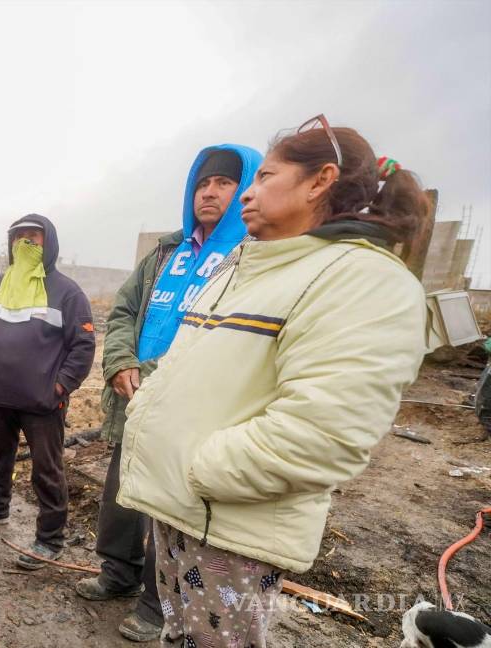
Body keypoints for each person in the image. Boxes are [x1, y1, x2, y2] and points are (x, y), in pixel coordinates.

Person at [117, 116, 431, 647]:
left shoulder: (361, 280)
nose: (247, 193)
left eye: (264, 177)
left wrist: (202, 469)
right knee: (183, 639)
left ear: (319, 181)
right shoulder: (250, 266)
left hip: (227, 522)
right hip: (185, 511)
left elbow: (325, 432)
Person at [76, 144, 262, 642]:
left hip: (188, 411)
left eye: (224, 183)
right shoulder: (167, 252)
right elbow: (121, 312)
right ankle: (117, 574)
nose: (209, 192)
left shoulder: (249, 256)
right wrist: (120, 361)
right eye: (202, 183)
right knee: (121, 498)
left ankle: (158, 603)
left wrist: (156, 371)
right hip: (132, 399)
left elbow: (225, 336)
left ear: (246, 189)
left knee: (169, 510)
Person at [0, 214, 96, 570]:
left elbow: (83, 346)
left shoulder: (67, 292)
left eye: (34, 237)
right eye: (20, 238)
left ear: (49, 243)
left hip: (42, 402)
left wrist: (60, 386)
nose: (27, 244)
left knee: (46, 470)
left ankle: (50, 539)